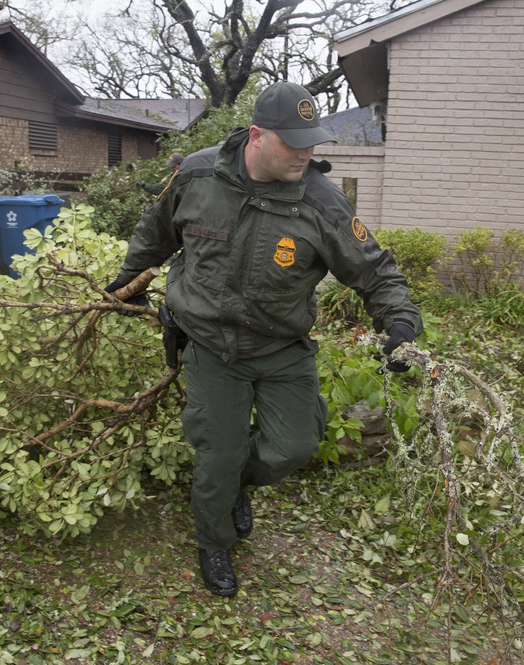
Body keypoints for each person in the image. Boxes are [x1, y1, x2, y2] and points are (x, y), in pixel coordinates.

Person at [105, 81, 422, 597]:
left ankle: (237, 487)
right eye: (294, 142)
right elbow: (156, 230)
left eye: (312, 140)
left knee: (294, 445)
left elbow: (377, 273)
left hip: (280, 347)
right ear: (256, 135)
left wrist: (401, 327)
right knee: (217, 454)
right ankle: (213, 540)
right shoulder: (197, 174)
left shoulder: (323, 201)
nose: (307, 152)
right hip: (210, 344)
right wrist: (129, 279)